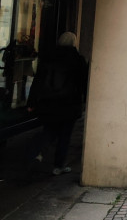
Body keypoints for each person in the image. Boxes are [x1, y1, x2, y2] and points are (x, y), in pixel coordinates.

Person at [28, 32, 88, 176]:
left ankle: (38, 152)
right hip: (69, 103)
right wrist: (85, 100)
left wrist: (31, 101)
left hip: (49, 102)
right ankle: (58, 166)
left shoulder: (49, 58)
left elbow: (38, 81)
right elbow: (83, 83)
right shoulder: (78, 60)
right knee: (65, 136)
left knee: (49, 129)